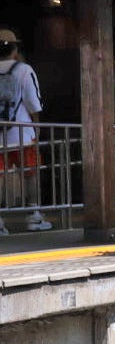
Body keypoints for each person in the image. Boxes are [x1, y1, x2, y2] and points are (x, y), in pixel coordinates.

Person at [0, 26, 52, 234]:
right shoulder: (24, 70)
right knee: (31, 174)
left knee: (0, 176)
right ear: (14, 49)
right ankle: (34, 216)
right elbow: (33, 102)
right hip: (22, 133)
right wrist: (36, 127)